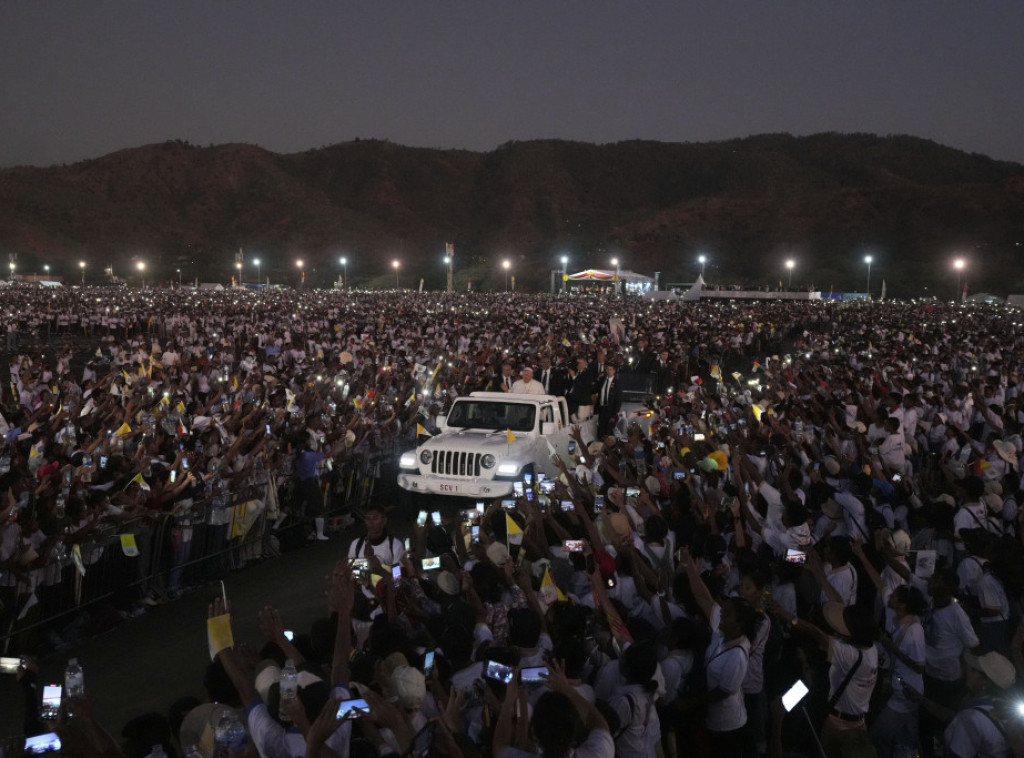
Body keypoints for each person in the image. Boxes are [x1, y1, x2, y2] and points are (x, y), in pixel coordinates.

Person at [346, 502, 405, 567]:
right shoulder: (356, 544)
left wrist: (377, 566)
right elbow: (349, 569)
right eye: (368, 518)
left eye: (375, 518)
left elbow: (398, 572)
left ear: (384, 521)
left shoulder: (395, 545)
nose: (371, 522)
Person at [594, 363, 622, 437]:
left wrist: (614, 414)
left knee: (608, 432)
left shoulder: (617, 383)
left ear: (614, 371)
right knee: (600, 431)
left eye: (610, 369)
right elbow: (595, 389)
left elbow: (618, 400)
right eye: (607, 369)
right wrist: (597, 380)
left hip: (610, 410)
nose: (609, 371)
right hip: (601, 409)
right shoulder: (602, 380)